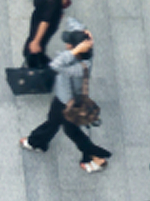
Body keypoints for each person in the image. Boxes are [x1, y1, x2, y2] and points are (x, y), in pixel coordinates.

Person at [18, 29, 110, 173]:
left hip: (66, 103)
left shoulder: (76, 68)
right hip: (65, 100)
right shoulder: (86, 57)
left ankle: (96, 156)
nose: (66, 45)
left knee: (71, 131)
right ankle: (37, 142)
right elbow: (74, 25)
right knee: (55, 122)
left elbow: (55, 66)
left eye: (69, 43)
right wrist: (86, 37)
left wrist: (74, 51)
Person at [23, 0, 68, 68]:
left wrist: (36, 41)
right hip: (36, 47)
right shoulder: (52, 4)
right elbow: (45, 19)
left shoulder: (52, 4)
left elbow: (45, 20)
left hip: (36, 46)